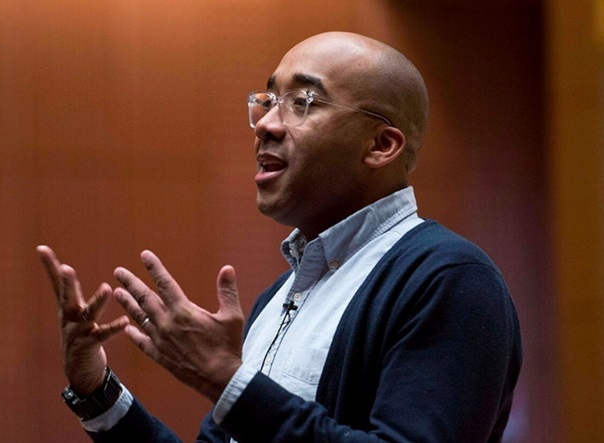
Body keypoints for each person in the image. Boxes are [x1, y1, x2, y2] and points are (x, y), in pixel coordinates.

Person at [38, 31, 522, 442]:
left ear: (380, 145)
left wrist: (228, 381)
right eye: (268, 101)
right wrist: (97, 390)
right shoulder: (279, 297)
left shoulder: (449, 279)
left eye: (302, 102)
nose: (266, 125)